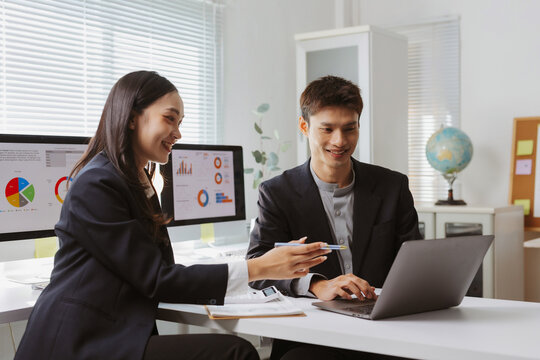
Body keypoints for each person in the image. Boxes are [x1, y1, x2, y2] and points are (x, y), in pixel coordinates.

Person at [14, 71, 331, 360]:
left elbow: (159, 271)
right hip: (78, 341)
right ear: (132, 118)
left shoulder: (135, 181)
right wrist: (258, 267)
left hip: (109, 332)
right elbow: (156, 278)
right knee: (235, 353)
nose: (178, 133)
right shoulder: (98, 184)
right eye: (170, 119)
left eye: (180, 123)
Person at [247, 75, 421, 360]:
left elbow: (414, 262)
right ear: (304, 127)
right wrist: (317, 284)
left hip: (388, 332)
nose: (340, 141)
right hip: (313, 338)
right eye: (327, 129)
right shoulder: (277, 193)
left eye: (349, 129)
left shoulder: (393, 186)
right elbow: (257, 270)